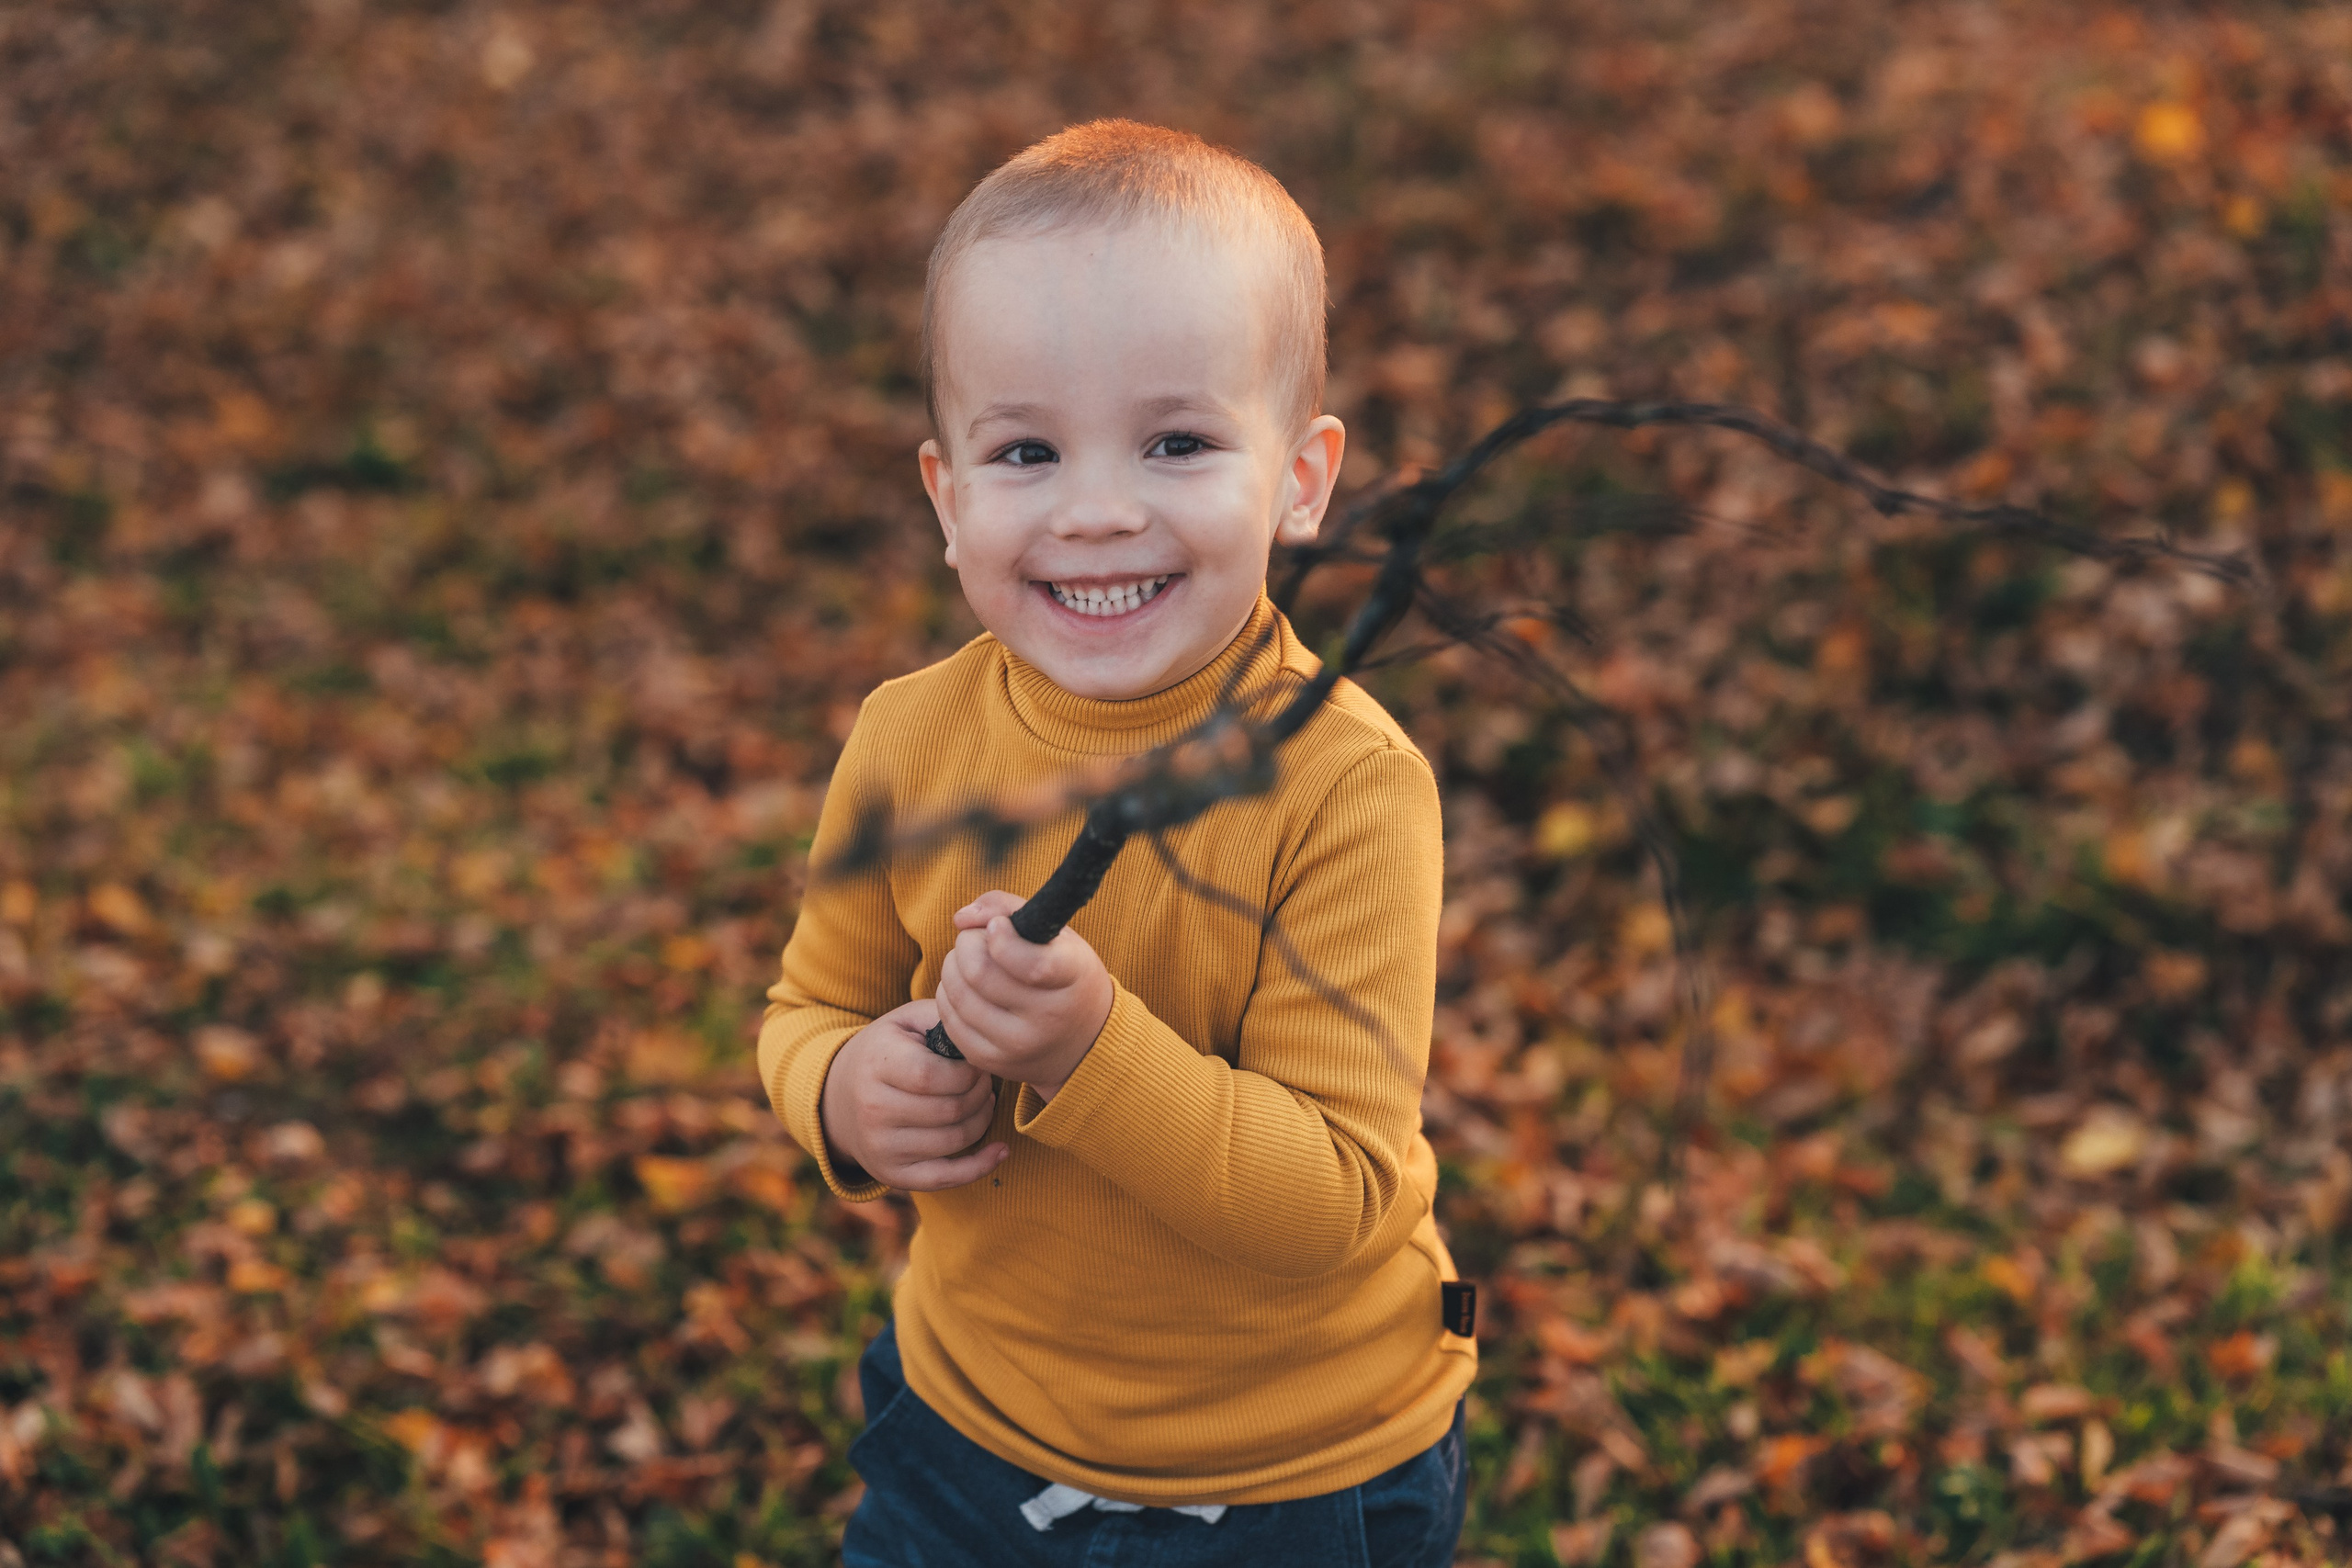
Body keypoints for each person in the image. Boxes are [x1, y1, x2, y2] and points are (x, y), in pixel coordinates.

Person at [759, 119, 1475, 1567]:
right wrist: (840, 1093)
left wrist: (1092, 1053)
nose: (1096, 510)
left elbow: (1333, 1198)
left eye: (1179, 441)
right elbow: (807, 1005)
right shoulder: (912, 739)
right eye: (1026, 450)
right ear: (948, 499)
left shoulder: (1344, 785)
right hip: (967, 1434)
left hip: (1292, 1477)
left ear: (1301, 479)